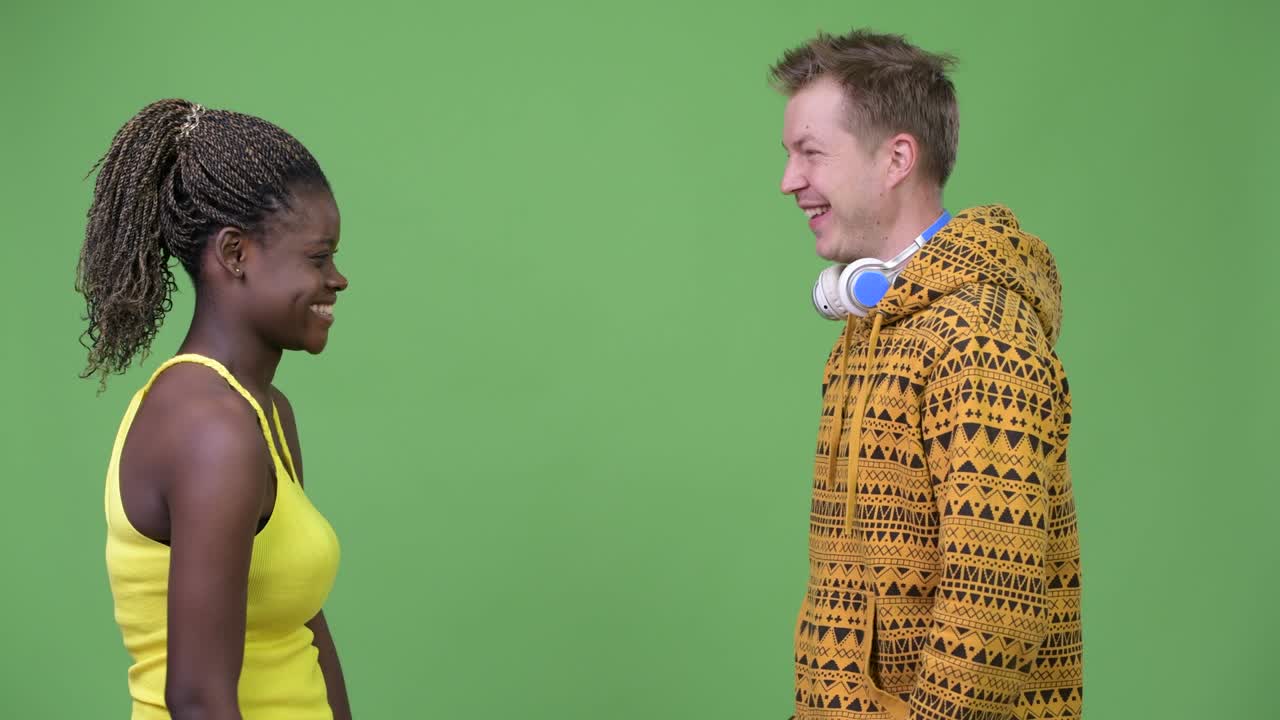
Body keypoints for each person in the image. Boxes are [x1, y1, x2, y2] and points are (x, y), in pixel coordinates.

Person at [773, 30, 1083, 719]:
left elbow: (993, 610)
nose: (790, 179)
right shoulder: (877, 326)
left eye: (811, 153)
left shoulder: (979, 337)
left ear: (896, 159)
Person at [79, 99, 352, 719]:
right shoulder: (211, 427)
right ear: (235, 255)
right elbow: (198, 700)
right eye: (318, 257)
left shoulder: (262, 412)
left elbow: (305, 629)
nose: (337, 279)